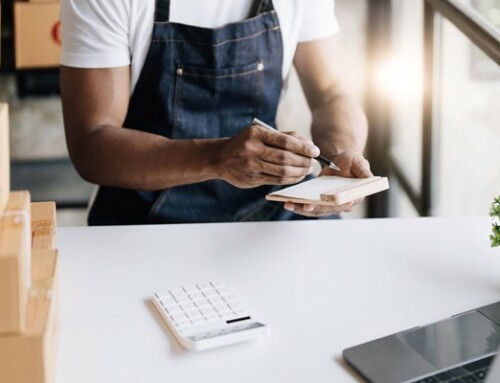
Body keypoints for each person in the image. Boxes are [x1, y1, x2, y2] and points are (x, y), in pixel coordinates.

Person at [60, 0, 372, 225]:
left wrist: (342, 152)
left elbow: (332, 92)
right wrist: (219, 158)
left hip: (270, 210)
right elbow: (92, 143)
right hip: (145, 220)